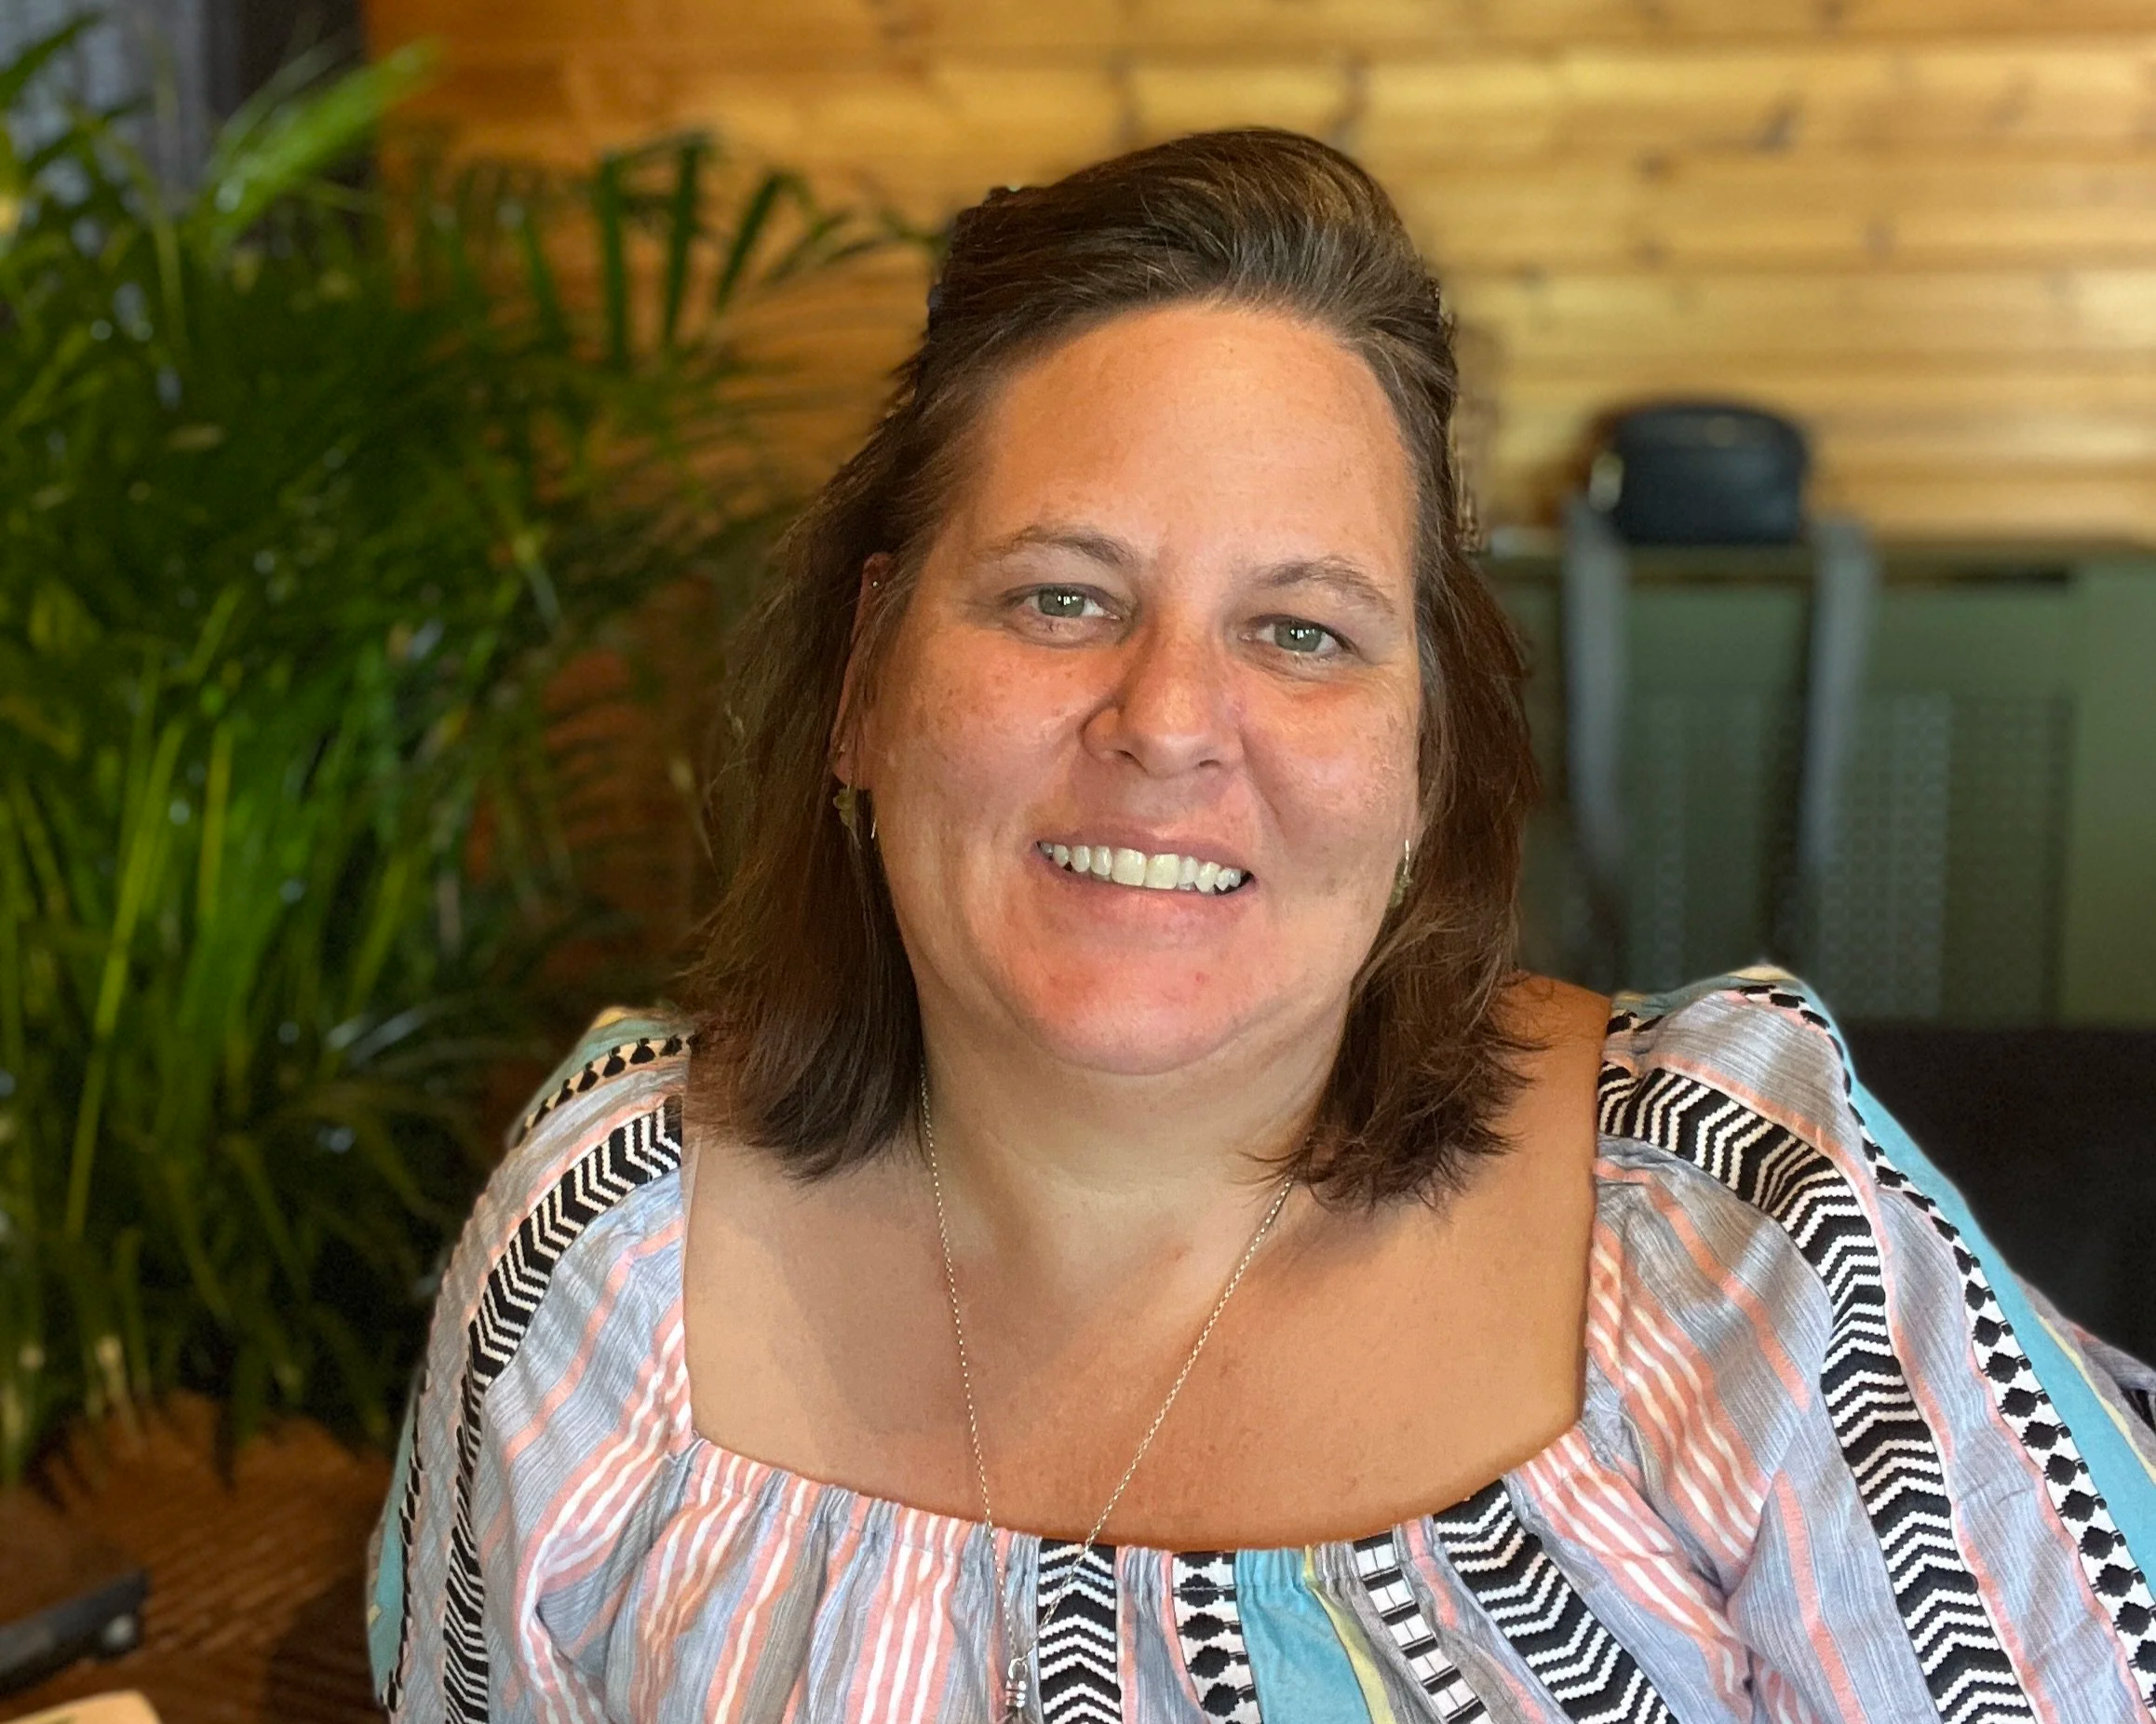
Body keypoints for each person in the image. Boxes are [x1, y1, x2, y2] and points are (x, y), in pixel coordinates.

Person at [367, 129, 2156, 1724]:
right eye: (1058, 597)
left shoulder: (1739, 1236)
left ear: (1425, 764)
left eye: (1301, 632)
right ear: (863, 688)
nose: (1165, 721)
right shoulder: (601, 1245)